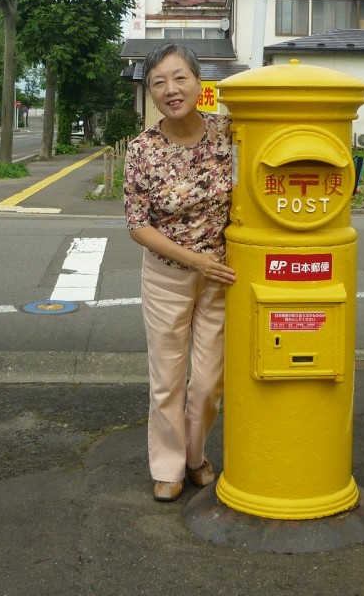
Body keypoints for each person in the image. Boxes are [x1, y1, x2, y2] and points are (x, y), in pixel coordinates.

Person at [123, 43, 236, 502]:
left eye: (179, 77)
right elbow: (137, 225)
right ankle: (169, 467)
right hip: (167, 275)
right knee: (168, 378)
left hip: (220, 277)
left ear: (198, 82)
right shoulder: (142, 150)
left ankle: (194, 453)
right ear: (150, 92)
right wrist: (195, 260)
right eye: (159, 82)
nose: (171, 89)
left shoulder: (228, 133)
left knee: (209, 381)